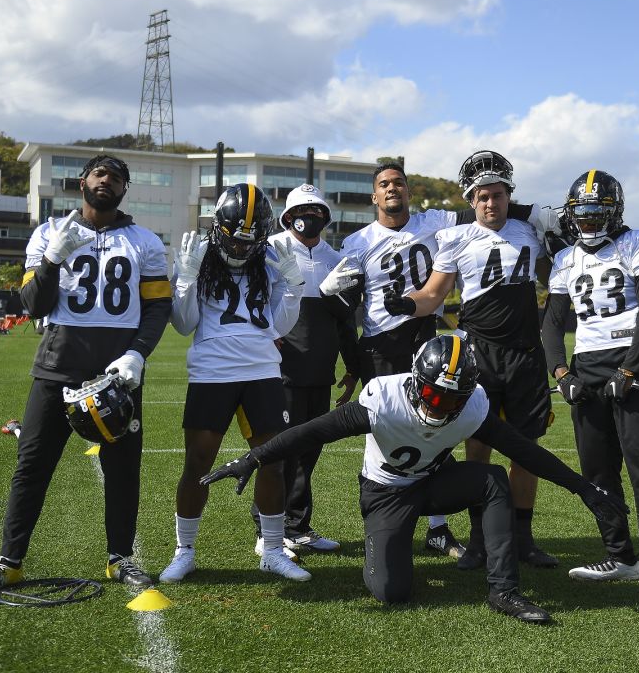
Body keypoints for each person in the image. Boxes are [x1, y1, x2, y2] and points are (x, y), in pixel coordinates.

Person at [200, 334, 631, 624]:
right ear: (415, 380)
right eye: (432, 393)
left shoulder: (474, 406)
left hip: (433, 484)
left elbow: (526, 452)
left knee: (493, 479)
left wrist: (583, 488)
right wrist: (254, 457)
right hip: (386, 494)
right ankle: (394, 550)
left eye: (451, 398)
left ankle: (503, 590)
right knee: (390, 592)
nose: (441, 404)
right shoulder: (384, 399)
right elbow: (312, 431)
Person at [0, 155, 171, 597]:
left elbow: (157, 307)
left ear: (124, 190)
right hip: (58, 366)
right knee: (32, 466)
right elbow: (34, 305)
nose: (108, 182)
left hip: (120, 372)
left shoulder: (145, 241)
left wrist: (138, 353)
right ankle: (9, 561)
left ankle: (120, 557)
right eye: (101, 174)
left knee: (122, 470)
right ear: (82, 182)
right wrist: (53, 258)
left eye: (117, 178)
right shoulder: (48, 233)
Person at [335, 160, 545, 559]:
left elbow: (488, 206)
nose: (393, 188)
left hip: (431, 342)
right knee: (386, 435)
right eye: (385, 184)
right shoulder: (357, 242)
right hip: (382, 343)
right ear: (374, 195)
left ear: (409, 191)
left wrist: (536, 211)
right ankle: (388, 523)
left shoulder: (443, 223)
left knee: (448, 432)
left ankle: (460, 531)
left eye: (399, 182)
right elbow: (351, 301)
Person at [383, 150, 560, 569]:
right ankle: (480, 540)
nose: (490, 204)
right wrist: (405, 305)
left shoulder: (529, 230)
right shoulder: (456, 238)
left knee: (526, 452)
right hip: (479, 356)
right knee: (477, 451)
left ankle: (522, 539)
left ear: (507, 195)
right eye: (482, 197)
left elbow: (559, 279)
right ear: (471, 198)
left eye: (497, 195)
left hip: (525, 355)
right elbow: (431, 296)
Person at [159, 183, 312, 583]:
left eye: (250, 242)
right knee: (197, 464)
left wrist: (294, 287)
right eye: (235, 240)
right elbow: (184, 323)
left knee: (273, 463)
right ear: (218, 229)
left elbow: (280, 324)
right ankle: (185, 550)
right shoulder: (200, 256)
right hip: (212, 373)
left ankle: (274, 550)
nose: (242, 249)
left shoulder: (271, 258)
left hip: (262, 371)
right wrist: (185, 281)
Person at [539, 170, 639, 604]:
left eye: (598, 213)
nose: (589, 222)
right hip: (587, 366)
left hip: (633, 362)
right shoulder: (565, 260)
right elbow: (552, 324)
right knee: (596, 471)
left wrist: (631, 370)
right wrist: (561, 374)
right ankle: (621, 556)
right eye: (582, 213)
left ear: (614, 212)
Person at [249, 182, 363, 555]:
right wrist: (263, 333)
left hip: (320, 369)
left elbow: (346, 320)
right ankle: (268, 529)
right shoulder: (269, 251)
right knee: (280, 450)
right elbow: (251, 301)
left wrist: (352, 365)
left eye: (315, 212)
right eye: (300, 212)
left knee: (309, 450)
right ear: (287, 217)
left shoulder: (336, 258)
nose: (307, 218)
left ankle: (297, 526)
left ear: (325, 218)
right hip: (280, 370)